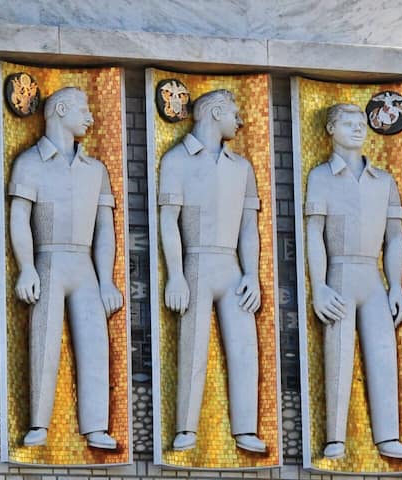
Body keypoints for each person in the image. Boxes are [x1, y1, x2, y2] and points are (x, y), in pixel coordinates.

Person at [7, 86, 122, 450]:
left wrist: (107, 281)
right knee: (44, 341)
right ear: (59, 111)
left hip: (84, 264)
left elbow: (105, 230)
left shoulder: (95, 170)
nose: (90, 117)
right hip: (49, 260)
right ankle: (38, 423)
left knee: (95, 343)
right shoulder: (30, 163)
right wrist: (27, 267)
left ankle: (96, 426)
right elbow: (19, 218)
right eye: (82, 110)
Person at [157, 89, 266, 453]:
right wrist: (175, 274)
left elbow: (249, 227)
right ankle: (186, 428)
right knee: (193, 347)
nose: (240, 121)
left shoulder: (241, 167)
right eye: (234, 113)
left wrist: (252, 275)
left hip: (232, 265)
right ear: (216, 113)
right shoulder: (176, 160)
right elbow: (168, 221)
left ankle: (246, 428)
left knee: (244, 348)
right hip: (196, 262)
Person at [302, 103, 402, 460]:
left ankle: (388, 435)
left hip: (373, 277)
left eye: (361, 123)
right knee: (337, 355)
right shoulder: (321, 177)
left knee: (383, 353)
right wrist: (319, 286)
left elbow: (395, 238)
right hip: (339, 273)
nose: (357, 128)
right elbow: (314, 233)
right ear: (330, 130)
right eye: (348, 123)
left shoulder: (384, 181)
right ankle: (335, 437)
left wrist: (396, 285)